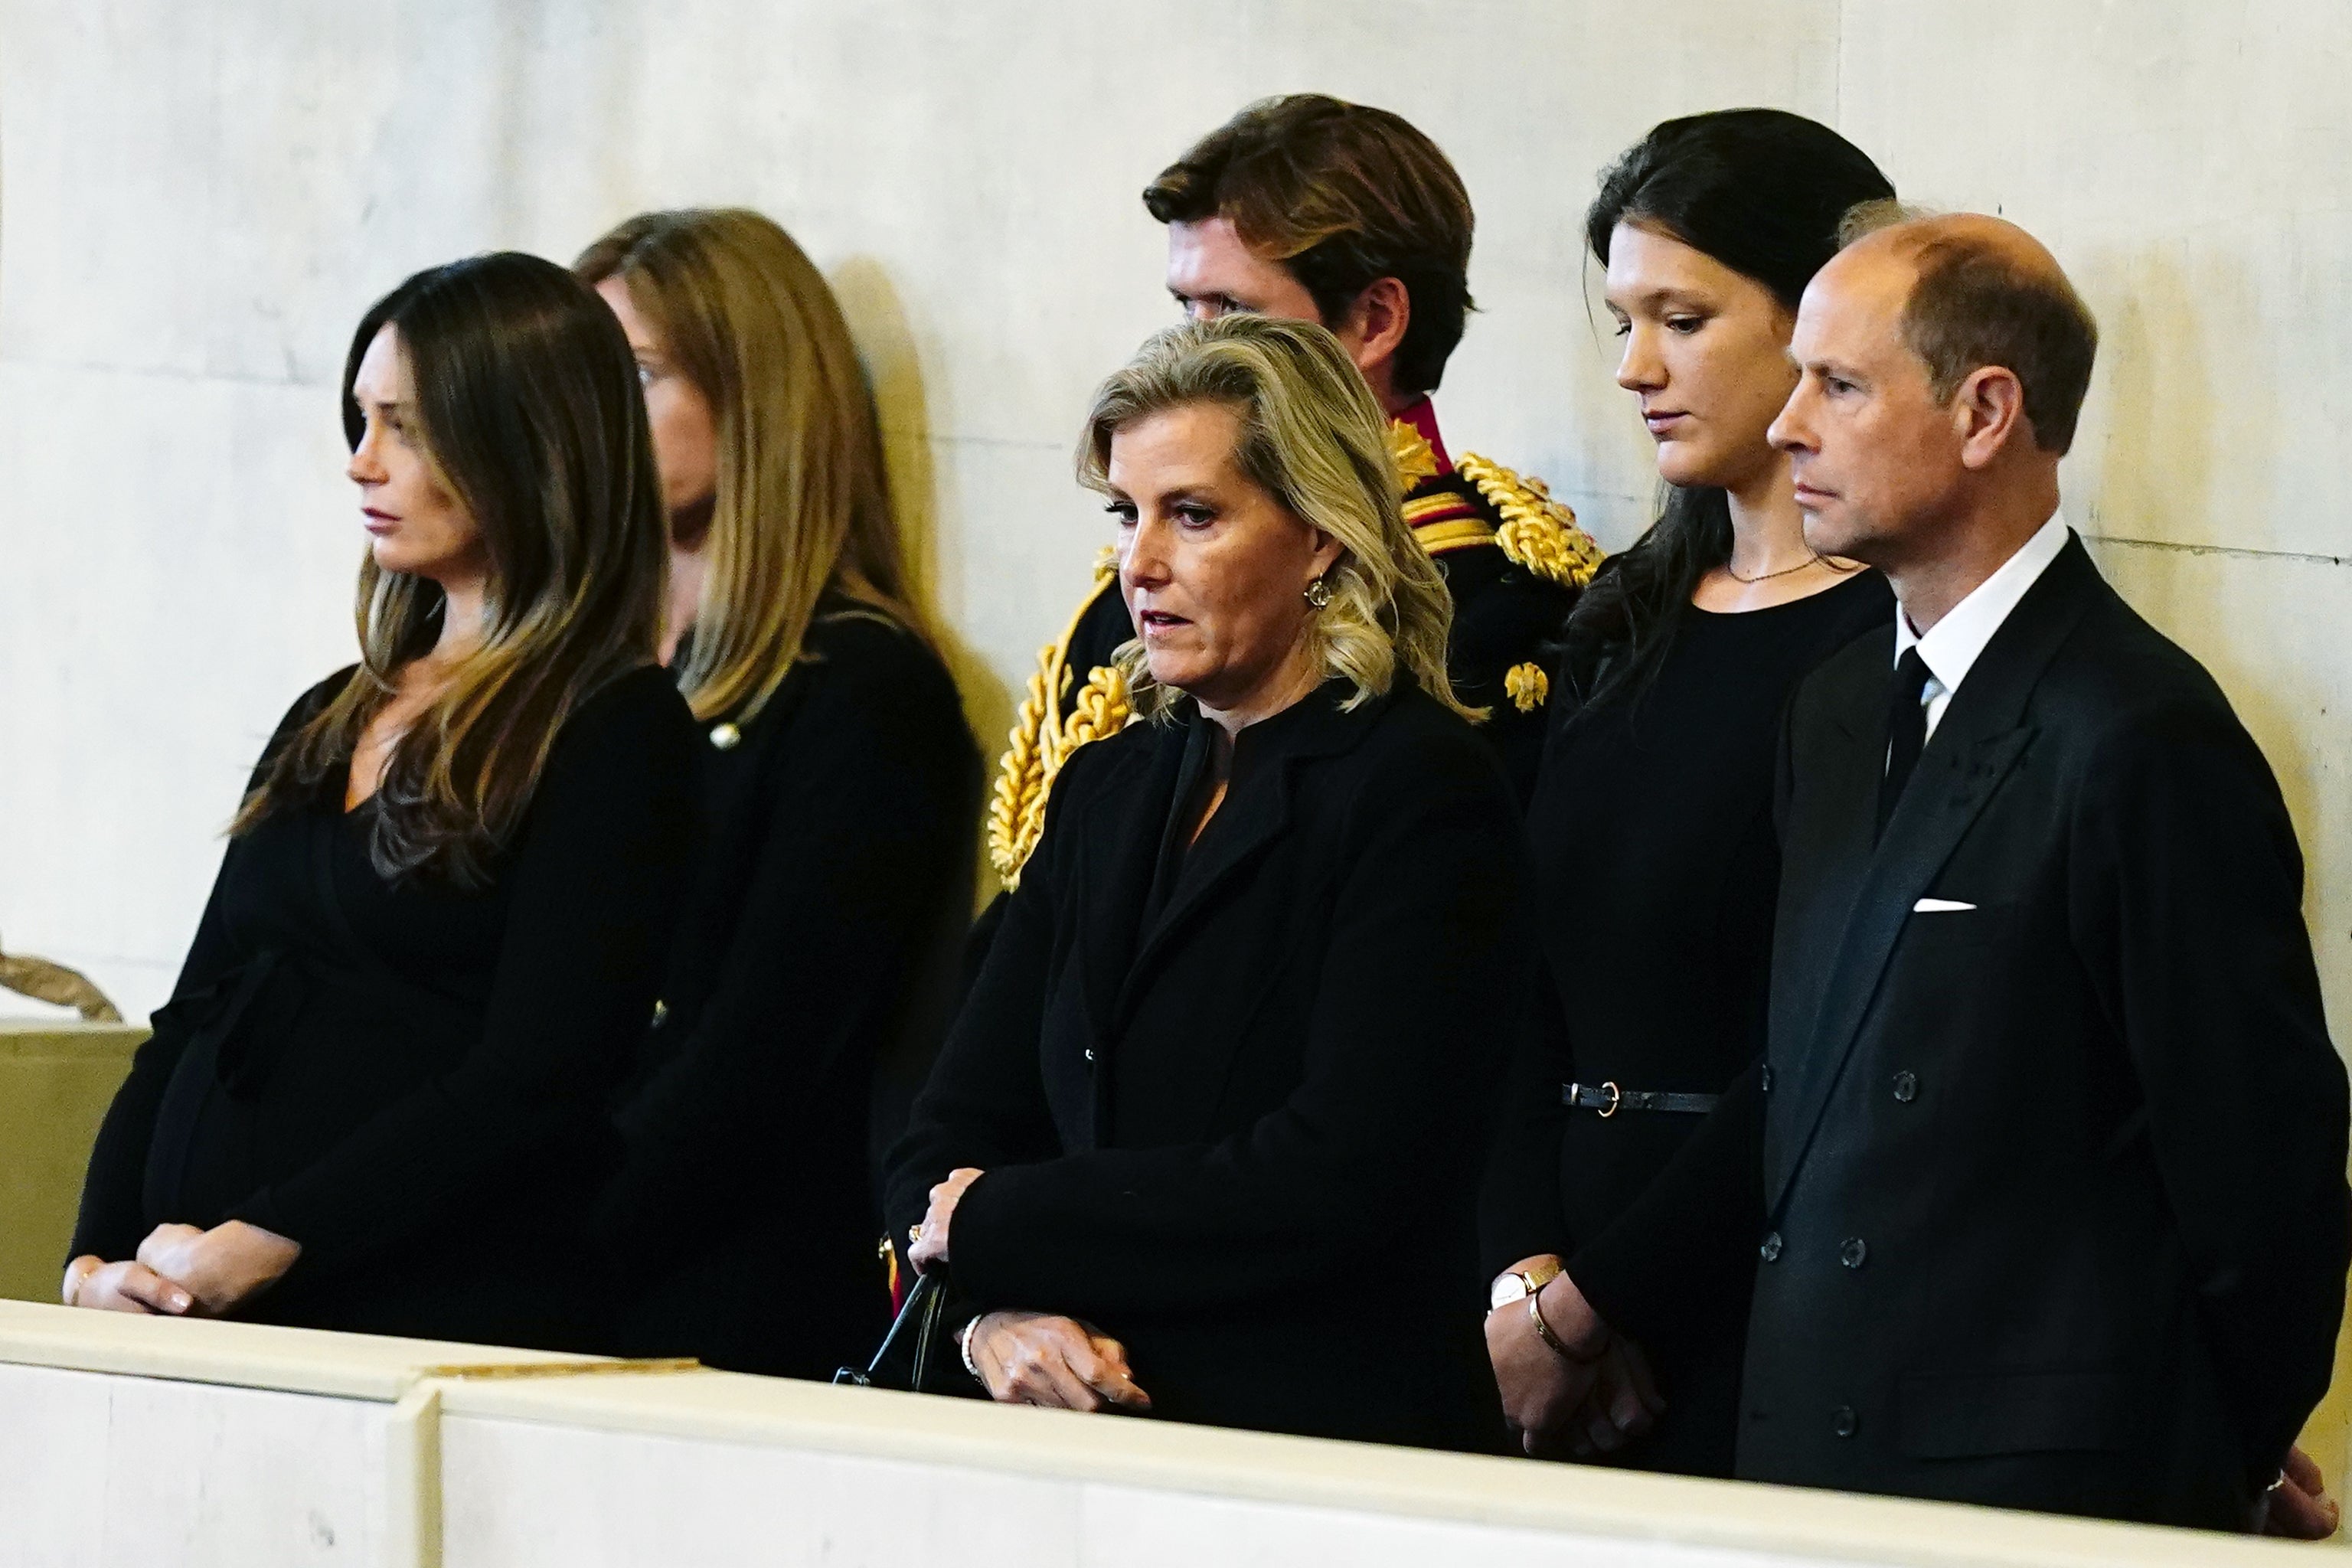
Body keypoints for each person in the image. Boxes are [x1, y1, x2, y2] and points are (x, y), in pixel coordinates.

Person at [1561, 211, 2347, 1530]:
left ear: (1985, 411)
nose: (1786, 425)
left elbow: (2259, 1174)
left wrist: (2212, 1459)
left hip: (2037, 1498)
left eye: (1840, 385)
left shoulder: (2139, 731)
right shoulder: (1827, 708)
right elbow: (1816, 1073)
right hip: (1805, 1448)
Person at [886, 314, 1525, 1451]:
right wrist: (996, 1316)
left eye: (1194, 515)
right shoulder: (1109, 785)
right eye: (1125, 514)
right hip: (1086, 1439)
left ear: (1320, 536)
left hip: (1321, 1442)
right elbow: (946, 1124)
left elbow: (1341, 1173)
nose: (1141, 562)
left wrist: (999, 1222)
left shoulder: (1419, 784)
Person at [64, 254, 696, 1352]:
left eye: (406, 427)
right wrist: (95, 1259)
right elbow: (188, 1023)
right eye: (359, 420)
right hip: (209, 1313)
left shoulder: (618, 732)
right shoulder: (329, 713)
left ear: (526, 439)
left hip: (435, 1322)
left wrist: (268, 1239)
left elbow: (536, 1075)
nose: (362, 463)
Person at [1480, 109, 1895, 1480]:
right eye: (1621, 319)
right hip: (1549, 1285)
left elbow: (1828, 1033)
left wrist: (1607, 1306)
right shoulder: (1623, 608)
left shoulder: (1886, 645)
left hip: (1759, 1293)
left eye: (1681, 316)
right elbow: (1516, 972)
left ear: (1814, 326)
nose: (1633, 367)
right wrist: (1525, 1283)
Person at [983, 93, 1601, 917]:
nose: (1190, 347)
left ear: (1375, 320)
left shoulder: (1492, 604)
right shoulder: (1137, 576)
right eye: (1184, 308)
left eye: (1231, 312)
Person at [575, 209, 979, 1380]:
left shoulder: (863, 690)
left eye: (637, 375)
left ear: (753, 393)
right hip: (547, 1259)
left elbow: (757, 1060)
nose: (593, 412)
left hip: (720, 1305)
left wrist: (534, 1236)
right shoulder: (575, 668)